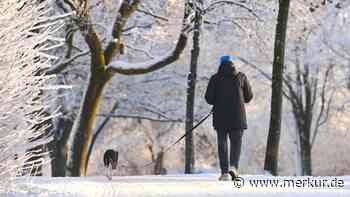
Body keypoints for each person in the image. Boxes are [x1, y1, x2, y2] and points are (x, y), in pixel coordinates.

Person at [205, 55, 253, 181]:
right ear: (233, 64)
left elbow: (208, 99)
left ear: (220, 64)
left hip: (220, 117)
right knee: (236, 143)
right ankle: (234, 167)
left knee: (222, 144)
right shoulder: (241, 77)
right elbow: (249, 97)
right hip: (238, 117)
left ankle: (225, 172)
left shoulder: (215, 78)